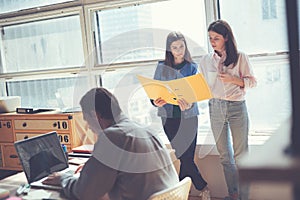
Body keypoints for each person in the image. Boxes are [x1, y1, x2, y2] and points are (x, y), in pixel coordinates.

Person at [43, 87, 179, 200]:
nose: (88, 127)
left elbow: (85, 193)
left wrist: (64, 178)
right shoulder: (144, 129)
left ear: (96, 115)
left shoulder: (112, 137)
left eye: (86, 120)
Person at [199, 20, 257, 200]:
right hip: (215, 107)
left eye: (216, 38)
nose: (212, 41)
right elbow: (200, 86)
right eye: (210, 38)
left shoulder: (241, 57)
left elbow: (252, 82)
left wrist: (233, 79)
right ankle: (234, 195)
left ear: (226, 38)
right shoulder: (206, 60)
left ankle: (244, 197)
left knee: (241, 157)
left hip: (237, 107)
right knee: (225, 157)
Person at [151, 31, 210, 199]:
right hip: (168, 118)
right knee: (183, 156)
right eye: (175, 47)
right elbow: (154, 93)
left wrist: (190, 102)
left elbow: (196, 92)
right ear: (169, 49)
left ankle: (182, 194)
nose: (179, 50)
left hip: (189, 117)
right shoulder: (161, 67)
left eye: (181, 46)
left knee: (187, 157)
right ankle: (202, 187)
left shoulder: (192, 67)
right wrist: (155, 101)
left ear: (185, 46)